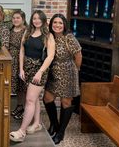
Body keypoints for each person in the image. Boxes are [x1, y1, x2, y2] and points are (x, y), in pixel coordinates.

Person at [10, 10, 55, 143]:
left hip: (39, 70)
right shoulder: (28, 32)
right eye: (34, 18)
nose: (36, 21)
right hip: (27, 68)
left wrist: (40, 72)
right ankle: (36, 124)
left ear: (43, 20)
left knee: (29, 100)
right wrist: (22, 68)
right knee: (34, 99)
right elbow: (22, 50)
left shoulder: (48, 36)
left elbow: (50, 56)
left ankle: (21, 131)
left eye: (39, 18)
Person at [43, 13, 82, 145]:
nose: (57, 25)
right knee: (47, 98)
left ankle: (61, 133)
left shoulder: (69, 37)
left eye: (60, 23)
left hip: (68, 72)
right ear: (51, 24)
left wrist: (75, 71)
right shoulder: (50, 36)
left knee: (66, 102)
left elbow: (78, 56)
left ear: (64, 25)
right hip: (53, 72)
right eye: (55, 22)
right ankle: (54, 125)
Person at [9, 10, 27, 120]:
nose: (15, 20)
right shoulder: (11, 30)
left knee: (22, 85)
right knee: (15, 85)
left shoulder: (26, 31)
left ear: (23, 19)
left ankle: (23, 108)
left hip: (21, 59)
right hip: (11, 59)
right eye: (14, 18)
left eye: (18, 18)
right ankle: (19, 106)